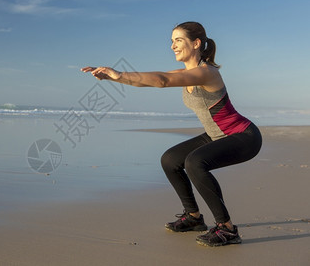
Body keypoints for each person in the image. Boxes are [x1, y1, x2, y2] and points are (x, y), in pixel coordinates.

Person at [80, 21, 262, 247]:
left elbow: (161, 81)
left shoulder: (206, 72)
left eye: (178, 40)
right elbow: (153, 80)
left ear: (196, 43)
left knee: (195, 162)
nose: (173, 46)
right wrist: (113, 77)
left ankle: (227, 229)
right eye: (171, 41)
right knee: (170, 160)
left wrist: (118, 74)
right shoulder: (187, 73)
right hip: (217, 134)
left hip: (243, 136)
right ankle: (193, 217)